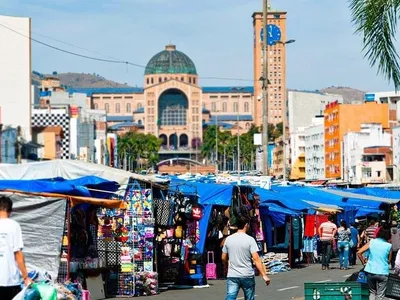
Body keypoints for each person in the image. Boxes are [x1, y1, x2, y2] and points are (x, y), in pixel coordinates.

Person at [222, 215, 270, 300]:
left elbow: (223, 257)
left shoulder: (228, 239)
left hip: (233, 275)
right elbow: (256, 259)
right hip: (247, 274)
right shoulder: (250, 240)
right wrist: (264, 275)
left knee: (230, 297)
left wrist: (226, 267)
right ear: (246, 225)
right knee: (249, 298)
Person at [0, 196, 31, 300]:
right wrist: (26, 277)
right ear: (10, 210)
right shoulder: (14, 226)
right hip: (9, 281)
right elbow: (18, 254)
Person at [357, 227, 392, 300]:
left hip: (370, 270)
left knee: (372, 292)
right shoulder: (389, 246)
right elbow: (389, 261)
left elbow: (359, 253)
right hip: (383, 272)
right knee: (380, 294)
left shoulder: (372, 242)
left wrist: (364, 263)